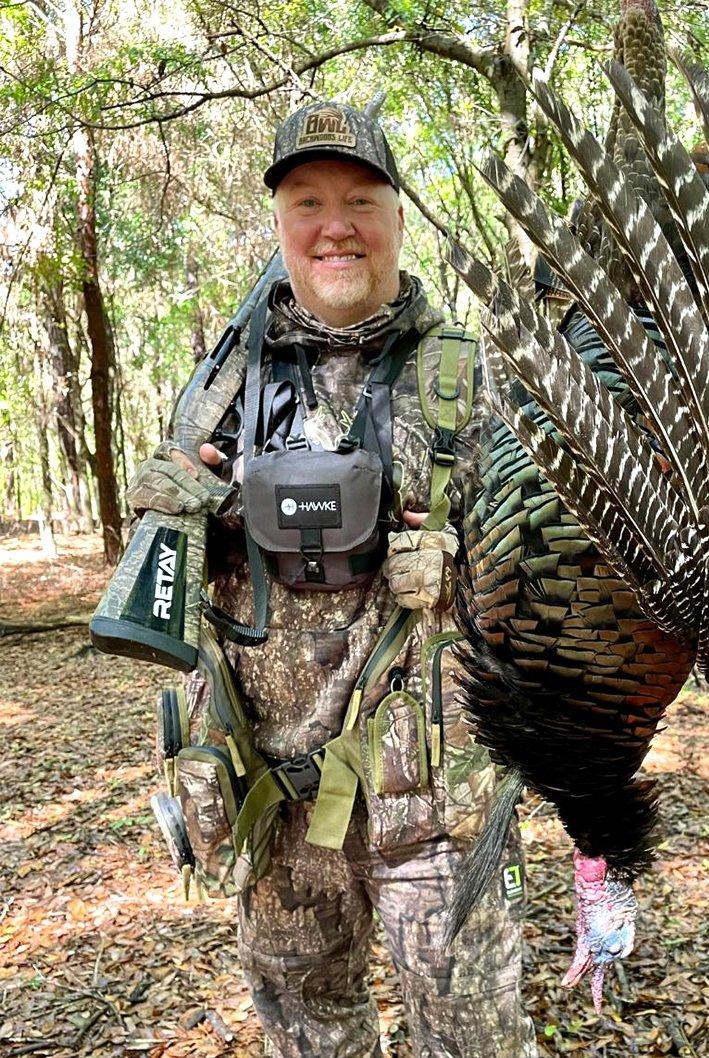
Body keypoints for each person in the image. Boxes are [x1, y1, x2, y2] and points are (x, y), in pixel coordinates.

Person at [127, 100, 538, 1058]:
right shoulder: (221, 382)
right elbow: (163, 580)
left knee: (476, 1042)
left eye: (360, 198)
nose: (335, 224)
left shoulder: (465, 379)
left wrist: (460, 566)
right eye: (307, 201)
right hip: (274, 798)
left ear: (397, 216)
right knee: (311, 1036)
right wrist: (177, 509)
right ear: (280, 226)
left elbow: (549, 590)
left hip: (433, 812)